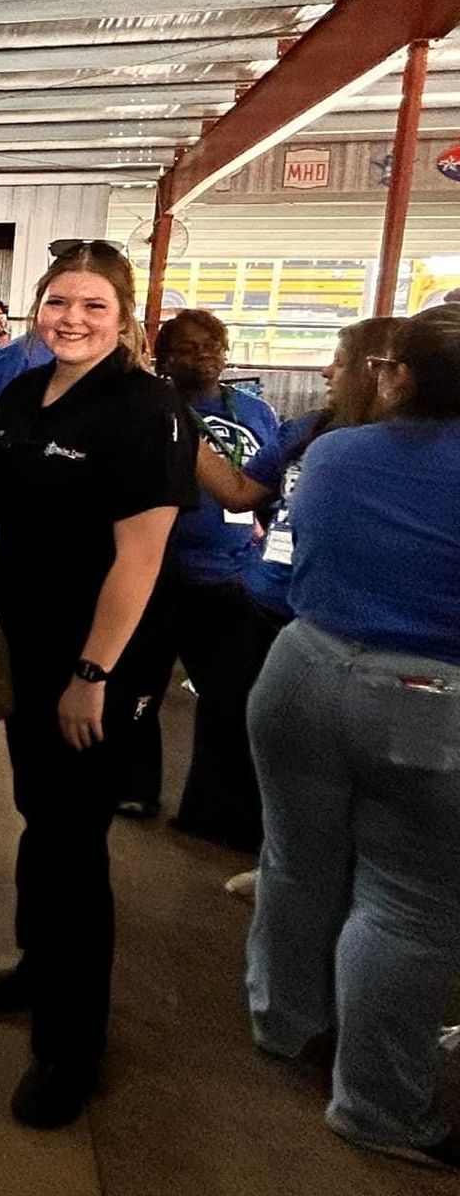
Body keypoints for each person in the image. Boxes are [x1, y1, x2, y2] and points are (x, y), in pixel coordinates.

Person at [0, 238, 196, 1129]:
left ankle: (73, 1047)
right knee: (41, 811)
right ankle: (39, 964)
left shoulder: (147, 411)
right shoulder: (27, 392)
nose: (71, 318)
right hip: (28, 645)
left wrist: (91, 674)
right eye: (58, 302)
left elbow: (139, 561)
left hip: (101, 659)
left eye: (92, 305)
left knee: (74, 840)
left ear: (125, 316)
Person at [246, 305, 460, 1171]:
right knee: (409, 905)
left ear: (394, 375)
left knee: (296, 860)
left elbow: (294, 563)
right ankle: (376, 1104)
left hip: (302, 671)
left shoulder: (333, 453)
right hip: (432, 696)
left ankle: (283, 1021)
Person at [194, 316, 402, 899]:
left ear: (381, 371)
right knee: (283, 753)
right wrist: (182, 431)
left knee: (350, 764)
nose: (326, 370)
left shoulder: (405, 451)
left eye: (339, 358)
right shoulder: (307, 431)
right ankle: (286, 862)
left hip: (338, 625)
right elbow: (240, 492)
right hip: (267, 608)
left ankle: (357, 878)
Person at [116, 311, 279, 845]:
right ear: (162, 356)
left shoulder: (256, 412)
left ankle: (211, 808)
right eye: (186, 347)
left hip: (229, 577)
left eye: (214, 344)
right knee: (139, 688)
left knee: (228, 697)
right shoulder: (146, 410)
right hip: (154, 573)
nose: (203, 354)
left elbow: (272, 489)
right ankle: (134, 786)